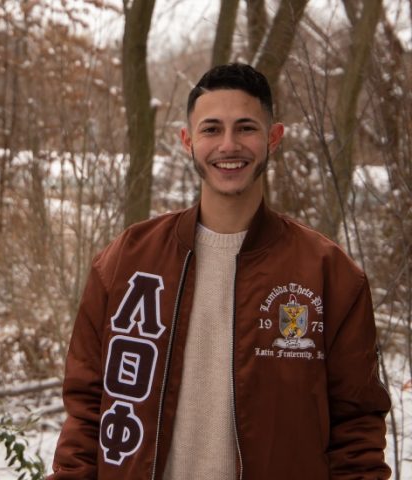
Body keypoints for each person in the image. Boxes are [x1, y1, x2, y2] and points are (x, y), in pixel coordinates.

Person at [48, 63, 391, 479]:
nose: (229, 145)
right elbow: (86, 410)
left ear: (273, 138)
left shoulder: (327, 273)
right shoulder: (128, 261)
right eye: (211, 129)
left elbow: (357, 429)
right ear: (187, 141)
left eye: (246, 128)